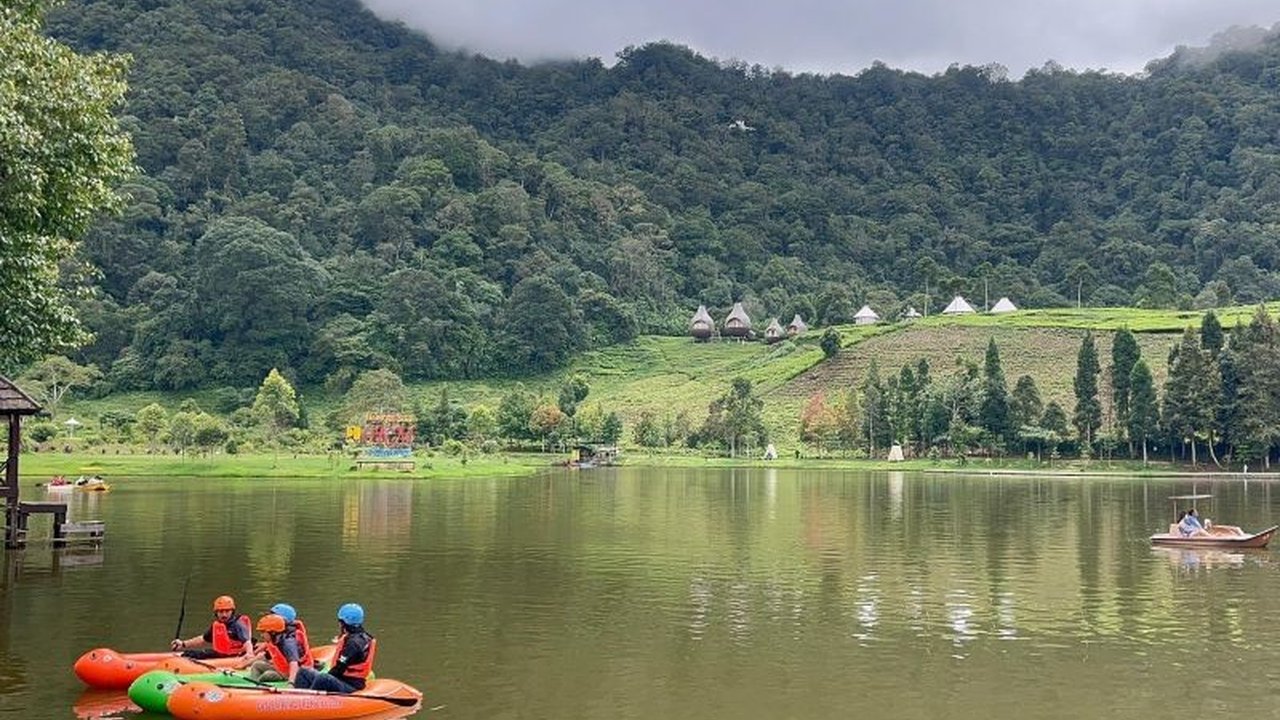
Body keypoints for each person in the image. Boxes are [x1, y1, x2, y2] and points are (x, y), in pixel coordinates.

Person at [292, 603, 375, 694]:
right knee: (303, 671)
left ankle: (307, 700)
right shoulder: (358, 637)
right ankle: (296, 697)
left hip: (351, 686)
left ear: (343, 622)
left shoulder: (354, 644)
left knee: (323, 678)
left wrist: (325, 677)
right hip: (342, 680)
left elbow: (339, 669)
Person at [171, 595, 254, 660]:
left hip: (236, 655)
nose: (224, 614)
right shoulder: (217, 625)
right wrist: (183, 644)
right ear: (216, 613)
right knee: (190, 653)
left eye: (227, 611)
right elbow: (203, 639)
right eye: (221, 611)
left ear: (232, 611)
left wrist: (249, 653)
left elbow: (247, 641)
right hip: (222, 654)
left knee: (193, 654)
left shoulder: (238, 624)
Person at [243, 613, 313, 683]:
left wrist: (291, 683)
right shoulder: (276, 640)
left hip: (296, 672)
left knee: (267, 675)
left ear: (272, 632)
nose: (261, 635)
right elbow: (267, 656)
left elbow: (294, 663)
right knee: (257, 665)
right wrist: (244, 664)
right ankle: (253, 683)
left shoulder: (288, 643)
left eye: (263, 632)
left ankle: (257, 686)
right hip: (282, 670)